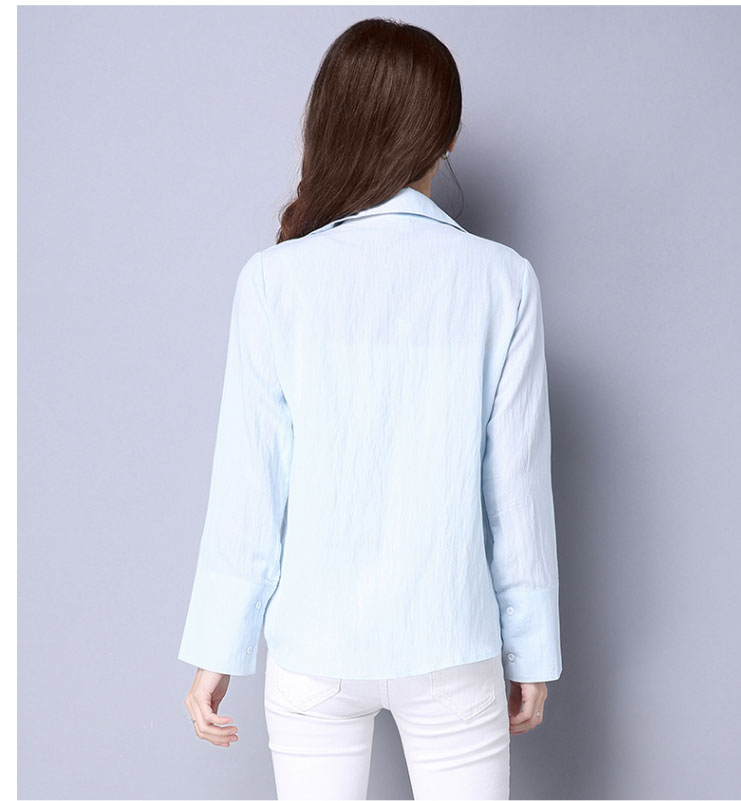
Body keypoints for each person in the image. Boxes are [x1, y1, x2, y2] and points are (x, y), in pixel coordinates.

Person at [177, 17, 562, 801]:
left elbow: (252, 483)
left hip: (313, 649)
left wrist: (218, 646)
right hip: (453, 644)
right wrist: (533, 649)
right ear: (446, 137)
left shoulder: (273, 280)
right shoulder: (503, 280)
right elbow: (515, 490)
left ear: (329, 125)